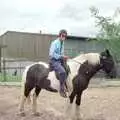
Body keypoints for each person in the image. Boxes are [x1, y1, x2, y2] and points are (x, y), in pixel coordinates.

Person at [49, 29, 69, 98]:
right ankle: (61, 89)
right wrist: (61, 56)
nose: (64, 37)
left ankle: (65, 84)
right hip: (54, 60)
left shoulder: (62, 43)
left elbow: (62, 53)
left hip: (60, 59)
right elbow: (51, 54)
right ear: (60, 35)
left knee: (67, 69)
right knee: (63, 72)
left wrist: (64, 57)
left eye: (65, 36)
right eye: (63, 35)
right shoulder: (54, 43)